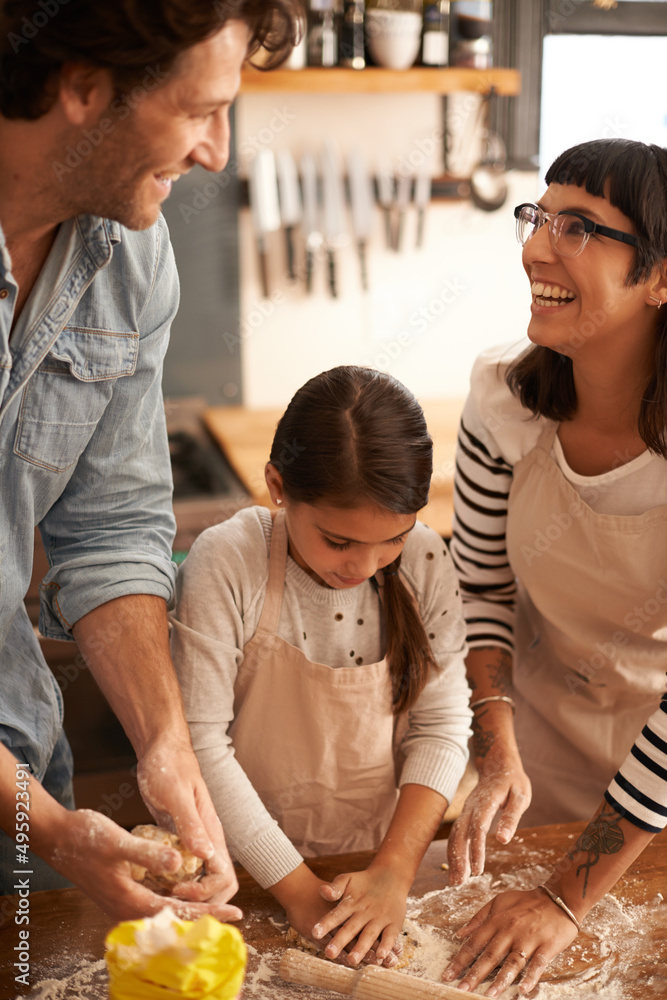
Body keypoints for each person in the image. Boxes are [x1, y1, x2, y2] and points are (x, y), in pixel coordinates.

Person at [0, 0, 300, 920]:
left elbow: (112, 527)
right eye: (199, 111)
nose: (217, 151)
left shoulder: (131, 253)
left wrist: (165, 743)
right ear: (83, 87)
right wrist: (44, 825)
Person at [441, 138, 667, 996]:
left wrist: (567, 895)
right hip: (540, 748)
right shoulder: (501, 398)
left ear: (658, 275)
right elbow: (481, 586)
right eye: (538, 216)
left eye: (581, 226)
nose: (537, 245)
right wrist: (494, 741)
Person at [170, 365, 472, 966]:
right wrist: (299, 892)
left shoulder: (426, 561)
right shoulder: (229, 560)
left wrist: (392, 872)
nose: (366, 564)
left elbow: (441, 727)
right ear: (278, 486)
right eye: (339, 542)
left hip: (366, 864)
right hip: (239, 873)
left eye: (393, 540)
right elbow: (199, 744)